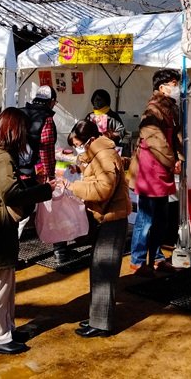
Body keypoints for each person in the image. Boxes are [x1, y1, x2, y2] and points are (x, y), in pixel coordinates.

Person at [0, 107, 53, 355]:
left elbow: (5, 187)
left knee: (5, 280)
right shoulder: (2, 157)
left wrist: (32, 185)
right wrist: (43, 190)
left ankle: (5, 328)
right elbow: (9, 193)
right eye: (24, 130)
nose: (26, 135)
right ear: (14, 130)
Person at [63, 119, 131, 338]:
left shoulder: (106, 156)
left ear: (89, 140)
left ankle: (102, 324)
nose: (77, 148)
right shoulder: (97, 154)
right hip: (103, 218)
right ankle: (96, 317)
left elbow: (103, 189)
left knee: (104, 271)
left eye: (78, 144)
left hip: (112, 219)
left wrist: (73, 186)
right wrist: (80, 165)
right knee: (98, 268)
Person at [128, 68, 182, 276]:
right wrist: (172, 161)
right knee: (145, 217)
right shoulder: (152, 110)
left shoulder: (171, 108)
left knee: (161, 216)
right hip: (150, 169)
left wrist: (180, 159)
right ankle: (138, 260)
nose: (176, 88)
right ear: (162, 87)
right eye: (173, 83)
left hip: (163, 168)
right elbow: (156, 142)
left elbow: (177, 137)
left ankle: (157, 257)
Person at [20, 85, 70, 262]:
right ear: (52, 102)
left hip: (18, 170)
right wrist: (50, 177)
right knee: (53, 209)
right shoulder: (46, 119)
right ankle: (60, 252)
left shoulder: (21, 113)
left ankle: (10, 253)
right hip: (37, 172)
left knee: (20, 214)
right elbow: (46, 149)